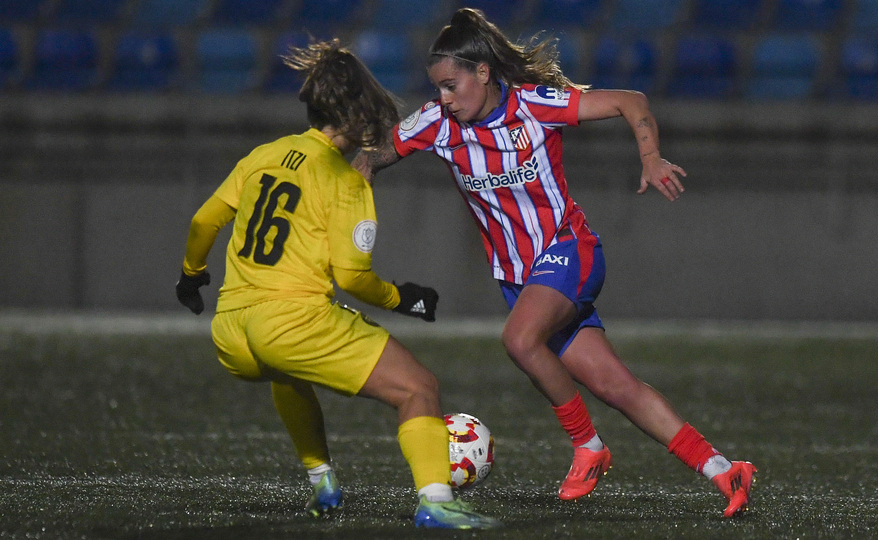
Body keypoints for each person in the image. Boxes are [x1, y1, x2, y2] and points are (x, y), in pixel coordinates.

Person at [352, 8, 756, 518]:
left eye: (452, 85)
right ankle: (724, 469)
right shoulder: (435, 123)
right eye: (440, 89)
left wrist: (650, 156)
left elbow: (632, 102)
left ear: (483, 72)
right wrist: (346, 195)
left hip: (569, 251)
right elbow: (371, 158)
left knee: (519, 340)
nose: (446, 99)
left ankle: (587, 446)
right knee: (616, 385)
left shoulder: (535, 106)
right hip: (519, 282)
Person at [174, 38, 501, 530]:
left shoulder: (266, 154)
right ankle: (436, 502)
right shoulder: (345, 181)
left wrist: (192, 275)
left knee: (286, 372)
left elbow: (203, 221)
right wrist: (404, 299)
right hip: (291, 322)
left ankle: (322, 479)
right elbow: (352, 277)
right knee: (419, 388)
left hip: (232, 331)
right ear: (356, 116)